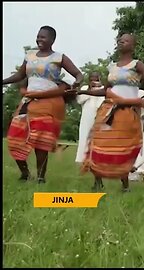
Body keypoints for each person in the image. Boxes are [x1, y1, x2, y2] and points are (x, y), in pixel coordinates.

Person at [3, 25, 84, 183]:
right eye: (38, 36)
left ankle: (40, 178)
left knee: (41, 142)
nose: (39, 40)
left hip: (49, 103)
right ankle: (25, 173)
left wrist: (76, 84)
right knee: (14, 137)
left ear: (52, 40)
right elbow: (20, 75)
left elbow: (78, 74)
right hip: (29, 100)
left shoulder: (59, 57)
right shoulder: (30, 55)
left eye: (43, 37)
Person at [81, 33, 144, 192]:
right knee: (99, 142)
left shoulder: (137, 65)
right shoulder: (112, 67)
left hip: (127, 111)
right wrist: (84, 92)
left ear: (133, 45)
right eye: (119, 40)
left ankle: (125, 184)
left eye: (125, 40)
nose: (121, 42)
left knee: (123, 146)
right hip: (108, 109)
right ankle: (98, 181)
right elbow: (106, 90)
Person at [75, 72, 105, 163]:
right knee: (85, 135)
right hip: (87, 115)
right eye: (92, 78)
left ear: (99, 78)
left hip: (99, 114)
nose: (94, 80)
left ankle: (98, 157)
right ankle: (82, 158)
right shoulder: (85, 88)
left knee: (99, 136)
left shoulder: (103, 88)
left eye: (96, 78)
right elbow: (80, 100)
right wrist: (89, 88)